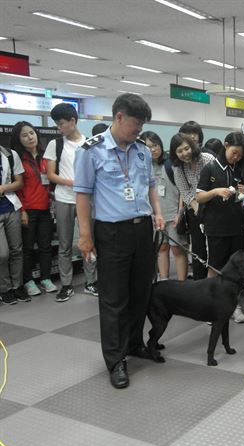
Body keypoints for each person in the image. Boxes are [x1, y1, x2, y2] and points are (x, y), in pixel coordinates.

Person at [74, 93, 165, 389]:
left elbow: (151, 186)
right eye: (136, 124)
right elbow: (83, 196)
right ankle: (115, 360)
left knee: (141, 293)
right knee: (114, 300)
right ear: (119, 117)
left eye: (142, 125)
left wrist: (158, 214)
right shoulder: (91, 151)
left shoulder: (140, 150)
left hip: (142, 231)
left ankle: (135, 343)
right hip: (111, 232)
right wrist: (86, 236)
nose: (139, 130)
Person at [45, 103, 98, 302]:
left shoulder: (90, 143)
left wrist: (84, 186)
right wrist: (74, 183)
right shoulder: (55, 145)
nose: (59, 128)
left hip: (87, 201)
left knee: (88, 240)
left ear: (73, 121)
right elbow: (51, 174)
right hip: (63, 199)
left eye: (61, 124)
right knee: (64, 244)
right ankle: (66, 285)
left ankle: (91, 281)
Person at [195, 131, 244, 323]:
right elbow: (199, 197)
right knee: (215, 267)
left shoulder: (236, 170)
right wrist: (215, 191)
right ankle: (210, 308)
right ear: (226, 145)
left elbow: (241, 200)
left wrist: (243, 192)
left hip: (235, 225)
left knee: (236, 268)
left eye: (240, 155)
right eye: (234, 152)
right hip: (216, 226)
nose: (236, 157)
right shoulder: (209, 169)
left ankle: (234, 306)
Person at [11, 121, 56, 297]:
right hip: (28, 209)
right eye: (24, 135)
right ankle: (28, 281)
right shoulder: (18, 159)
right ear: (19, 139)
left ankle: (45, 278)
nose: (30, 137)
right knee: (27, 248)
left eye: (32, 133)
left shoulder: (45, 157)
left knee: (45, 246)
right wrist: (22, 210)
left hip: (46, 208)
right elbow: (18, 187)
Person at [140, 131, 188, 281]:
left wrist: (180, 213)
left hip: (174, 214)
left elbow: (182, 190)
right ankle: (164, 281)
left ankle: (182, 285)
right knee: (161, 248)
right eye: (148, 147)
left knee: (178, 250)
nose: (153, 149)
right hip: (156, 217)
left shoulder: (172, 164)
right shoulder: (143, 166)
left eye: (155, 145)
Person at [171, 133, 214, 280]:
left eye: (186, 148)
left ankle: (214, 283)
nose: (184, 153)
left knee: (214, 249)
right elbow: (185, 191)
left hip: (214, 208)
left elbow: (217, 184)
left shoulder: (207, 159)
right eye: (179, 151)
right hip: (194, 211)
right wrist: (196, 207)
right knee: (198, 249)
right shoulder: (178, 168)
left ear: (192, 146)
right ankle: (199, 282)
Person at [0, 144, 28, 304]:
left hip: (11, 206)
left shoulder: (10, 154)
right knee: (2, 254)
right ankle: (5, 288)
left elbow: (19, 183)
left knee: (17, 249)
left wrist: (4, 187)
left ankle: (18, 286)